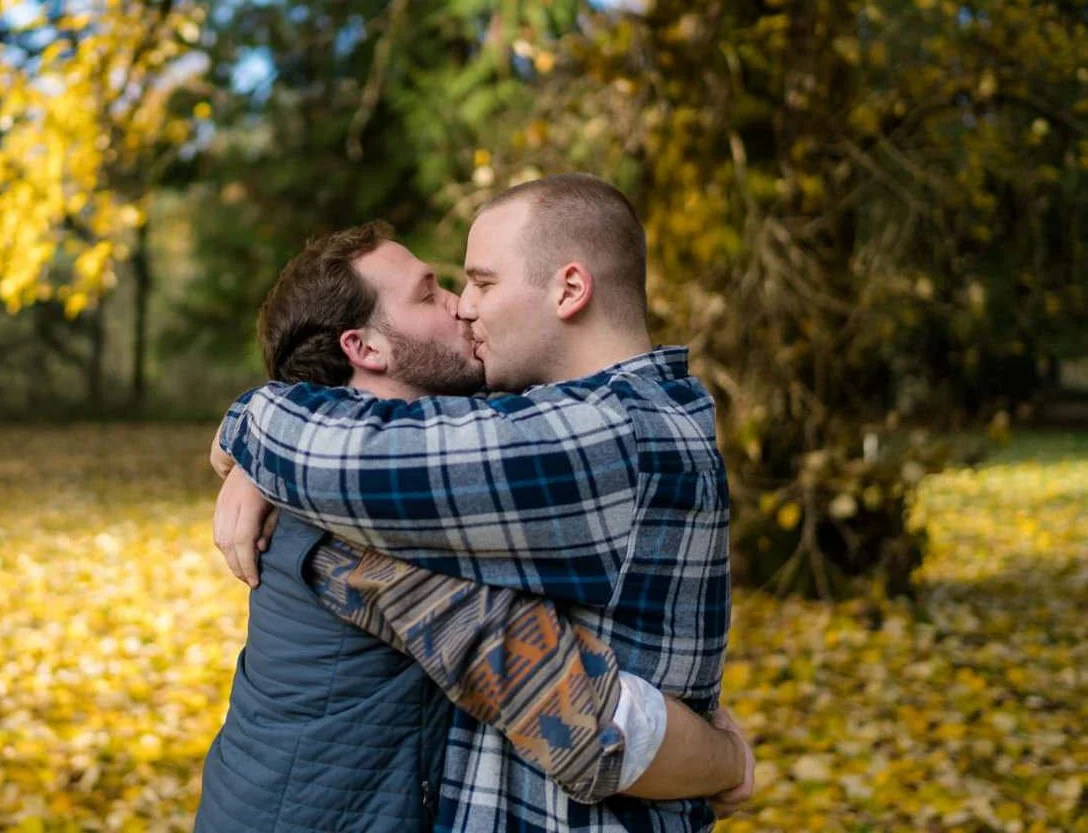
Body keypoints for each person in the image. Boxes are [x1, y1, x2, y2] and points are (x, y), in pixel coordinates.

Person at [197, 205, 750, 833]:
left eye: (472, 285)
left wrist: (250, 436)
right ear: (365, 348)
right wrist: (723, 757)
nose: (462, 305)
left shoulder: (443, 461)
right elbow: (575, 715)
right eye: (432, 293)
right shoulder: (351, 517)